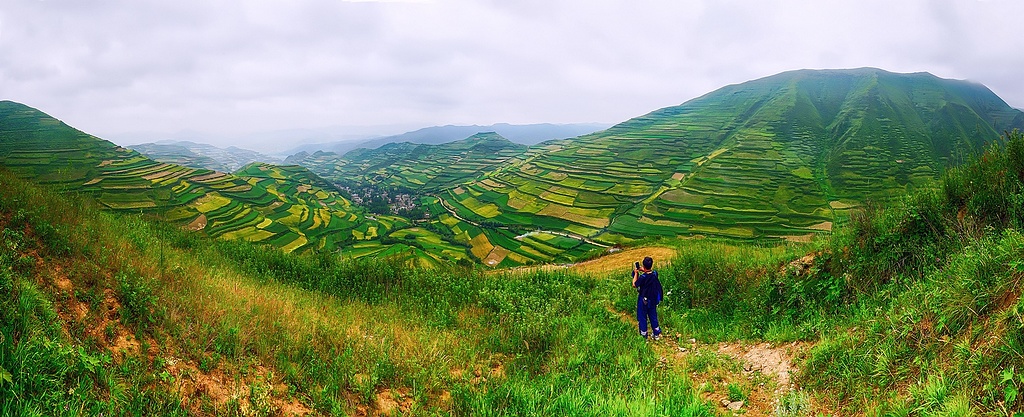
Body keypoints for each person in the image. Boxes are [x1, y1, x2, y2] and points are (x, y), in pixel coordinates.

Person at [632, 256, 663, 340]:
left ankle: (644, 335)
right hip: (652, 300)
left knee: (642, 317)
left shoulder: (643, 278)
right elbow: (650, 272)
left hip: (643, 299)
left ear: (643, 265)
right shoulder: (654, 274)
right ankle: (656, 333)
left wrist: (636, 273)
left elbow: (634, 284)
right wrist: (644, 269)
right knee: (653, 316)